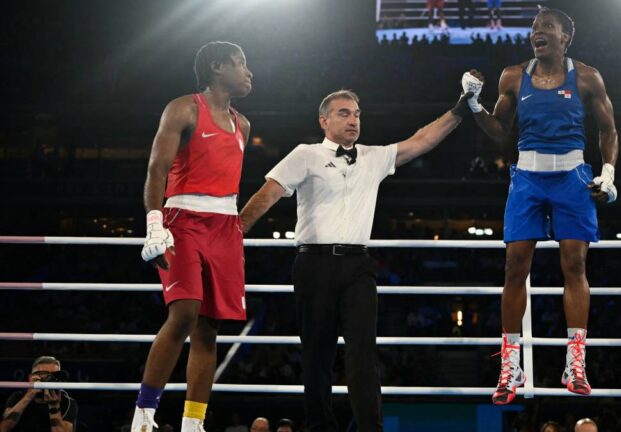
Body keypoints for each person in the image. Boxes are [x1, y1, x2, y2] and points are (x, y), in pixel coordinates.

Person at [238, 89, 470, 432]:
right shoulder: (305, 154)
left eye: (357, 114)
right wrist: (232, 236)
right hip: (313, 264)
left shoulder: (373, 157)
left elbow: (421, 141)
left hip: (358, 267)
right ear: (324, 120)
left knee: (363, 354)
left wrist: (460, 110)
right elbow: (267, 195)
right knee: (317, 356)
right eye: (344, 113)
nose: (353, 120)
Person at [459, 7, 618, 404]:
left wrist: (609, 171)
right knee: (515, 266)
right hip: (527, 177)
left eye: (547, 27)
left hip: (573, 177)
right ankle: (510, 366)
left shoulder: (587, 77)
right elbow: (499, 132)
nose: (537, 33)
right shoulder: (513, 76)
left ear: (566, 37)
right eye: (534, 28)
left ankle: (575, 361)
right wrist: (474, 104)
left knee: (575, 265)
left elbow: (608, 129)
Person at [133, 41, 253, 431]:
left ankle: (192, 423)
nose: (249, 73)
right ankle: (144, 415)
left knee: (210, 326)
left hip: (226, 227)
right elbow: (157, 169)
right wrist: (155, 223)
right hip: (183, 219)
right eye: (241, 64)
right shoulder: (183, 108)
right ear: (218, 68)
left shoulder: (243, 124)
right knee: (184, 313)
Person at [1, 356, 78, 432]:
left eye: (54, 375)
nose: (50, 379)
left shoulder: (67, 401)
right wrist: (28, 396)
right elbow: (3, 428)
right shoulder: (18, 397)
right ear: (31, 378)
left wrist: (54, 407)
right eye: (45, 375)